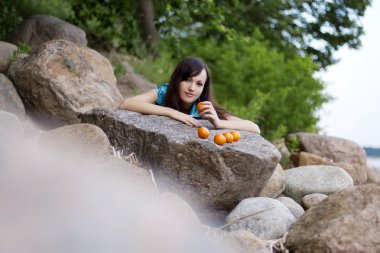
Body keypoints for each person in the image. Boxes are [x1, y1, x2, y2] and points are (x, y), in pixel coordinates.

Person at [119, 57, 260, 134]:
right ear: (178, 79)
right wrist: (171, 112)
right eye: (187, 80)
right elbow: (126, 104)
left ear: (204, 88)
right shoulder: (164, 93)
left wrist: (219, 123)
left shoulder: (205, 108)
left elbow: (254, 128)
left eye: (199, 84)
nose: (192, 88)